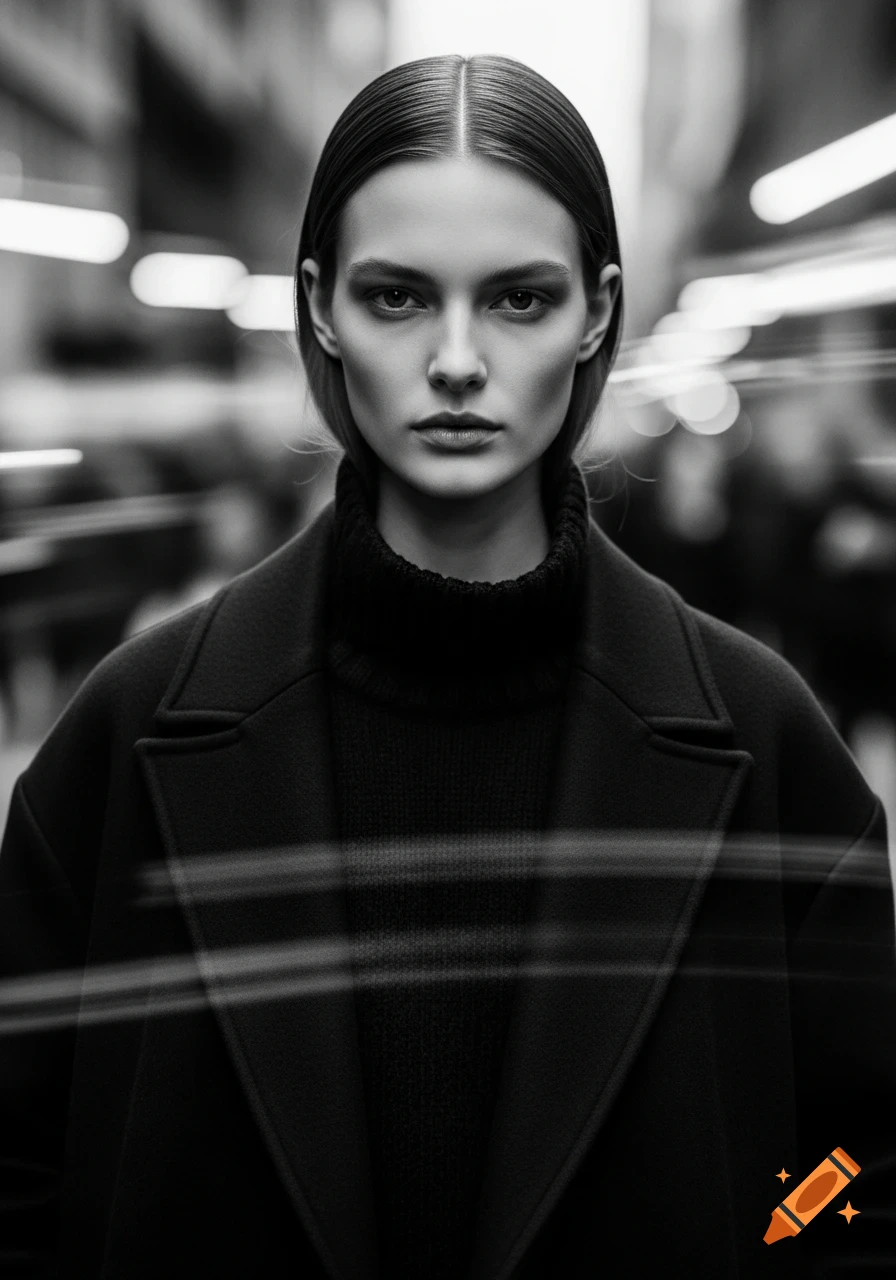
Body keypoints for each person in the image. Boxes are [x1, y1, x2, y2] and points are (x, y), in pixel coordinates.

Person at [1, 54, 894, 1280]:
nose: (459, 360)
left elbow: (856, 1163)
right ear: (318, 304)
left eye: (519, 299)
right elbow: (18, 1168)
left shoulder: (765, 739)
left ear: (596, 306)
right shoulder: (122, 734)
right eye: (399, 297)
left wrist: (770, 1239)